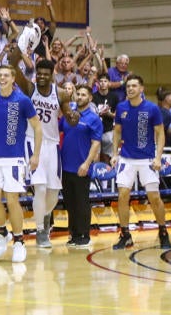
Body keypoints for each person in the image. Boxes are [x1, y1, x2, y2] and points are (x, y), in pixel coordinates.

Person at [9, 57, 78, 248]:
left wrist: (74, 116)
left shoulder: (61, 93)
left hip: (53, 144)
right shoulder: (30, 89)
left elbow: (70, 119)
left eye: (45, 74)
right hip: (32, 142)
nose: (41, 76)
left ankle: (44, 218)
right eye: (38, 73)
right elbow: (13, 64)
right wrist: (22, 49)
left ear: (52, 75)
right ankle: (40, 231)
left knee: (54, 193)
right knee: (39, 188)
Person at [0, 65, 42, 263]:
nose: (3, 78)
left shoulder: (23, 101)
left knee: (12, 199)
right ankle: (1, 233)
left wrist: (36, 155)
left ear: (13, 78)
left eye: (7, 75)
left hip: (14, 159)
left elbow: (38, 128)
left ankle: (19, 241)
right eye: (1, 75)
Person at [110, 75, 171, 250]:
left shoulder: (152, 109)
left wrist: (158, 157)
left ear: (141, 89)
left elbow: (160, 134)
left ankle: (163, 231)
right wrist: (114, 153)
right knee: (122, 195)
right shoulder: (121, 107)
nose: (130, 88)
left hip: (147, 160)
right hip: (126, 158)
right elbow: (116, 132)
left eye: (134, 86)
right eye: (128, 86)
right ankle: (125, 234)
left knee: (154, 197)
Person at [60, 85, 102, 248]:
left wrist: (87, 163)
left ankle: (85, 234)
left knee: (82, 201)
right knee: (70, 202)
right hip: (65, 165)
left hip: (82, 167)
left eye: (84, 94)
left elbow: (96, 143)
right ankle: (74, 234)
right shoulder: (68, 114)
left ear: (90, 98)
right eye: (78, 94)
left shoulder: (93, 118)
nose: (80, 97)